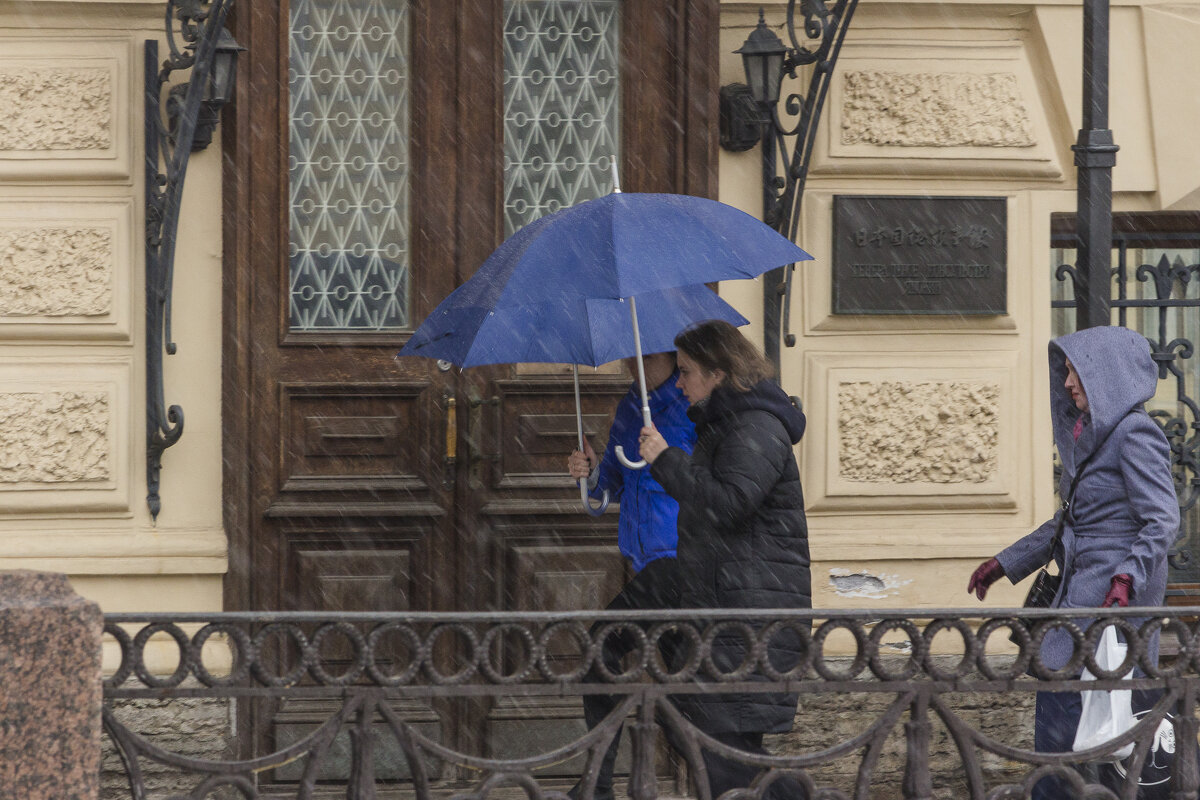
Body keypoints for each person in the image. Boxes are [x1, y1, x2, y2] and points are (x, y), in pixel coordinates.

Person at [967, 326, 1178, 800]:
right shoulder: (1088, 438)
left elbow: (1161, 519)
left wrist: (1128, 576)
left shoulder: (1135, 432)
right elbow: (1068, 523)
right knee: (1070, 730)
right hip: (1079, 606)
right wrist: (1005, 562)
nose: (1066, 383)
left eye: (1076, 371)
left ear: (1108, 373)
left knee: (1099, 739)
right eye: (1064, 371)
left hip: (1111, 615)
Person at [637, 320, 811, 799]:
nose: (679, 382)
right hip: (729, 610)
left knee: (724, 760)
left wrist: (665, 460)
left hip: (748, 619)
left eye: (688, 371)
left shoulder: (755, 425)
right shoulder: (727, 424)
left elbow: (729, 504)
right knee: (708, 744)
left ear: (718, 372)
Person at [566, 351, 695, 800]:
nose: (628, 361)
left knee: (605, 643)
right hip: (647, 568)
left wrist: (665, 455)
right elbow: (611, 487)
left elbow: (711, 487)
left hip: (683, 563)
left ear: (670, 354)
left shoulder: (692, 406)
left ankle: (597, 785)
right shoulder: (627, 407)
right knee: (679, 691)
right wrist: (590, 473)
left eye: (639, 353)